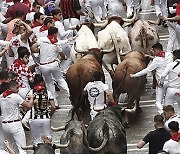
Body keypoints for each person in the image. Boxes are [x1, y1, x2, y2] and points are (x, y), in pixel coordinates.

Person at [31, 27, 69, 107]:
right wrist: (64, 57)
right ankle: (70, 93)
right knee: (60, 80)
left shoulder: (41, 39)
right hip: (53, 64)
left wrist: (40, 51)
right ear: (54, 34)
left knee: (49, 83)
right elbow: (61, 54)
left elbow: (33, 48)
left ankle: (55, 102)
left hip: (43, 66)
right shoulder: (56, 43)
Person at [130, 43, 170, 114]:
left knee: (158, 102)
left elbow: (147, 70)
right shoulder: (169, 55)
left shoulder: (156, 60)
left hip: (161, 83)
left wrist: (134, 75)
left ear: (157, 50)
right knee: (168, 101)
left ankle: (162, 113)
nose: (153, 52)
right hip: (170, 82)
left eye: (154, 50)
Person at [0, 80, 34, 154]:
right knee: (22, 148)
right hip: (15, 124)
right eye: (17, 87)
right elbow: (29, 106)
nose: (18, 89)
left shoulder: (1, 96)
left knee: (12, 147)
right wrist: (31, 98)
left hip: (5, 125)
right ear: (11, 87)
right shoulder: (15, 96)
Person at [26, 74, 56, 145]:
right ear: (42, 82)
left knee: (36, 141)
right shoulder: (48, 92)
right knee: (49, 138)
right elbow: (53, 106)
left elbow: (27, 106)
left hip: (34, 119)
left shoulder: (30, 92)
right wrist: (50, 114)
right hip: (46, 118)